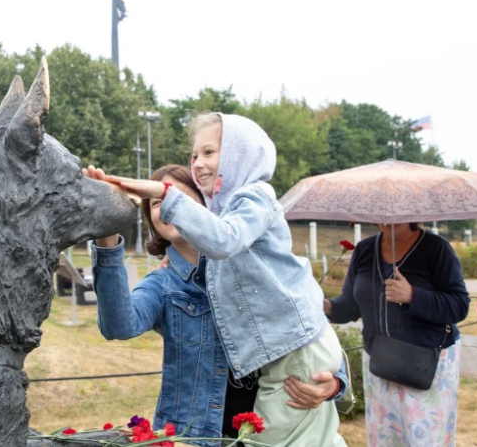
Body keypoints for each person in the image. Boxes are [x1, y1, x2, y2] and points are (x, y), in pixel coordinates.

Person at [90, 112, 346, 447]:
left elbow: (301, 315)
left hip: (272, 413)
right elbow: (118, 326)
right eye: (156, 204)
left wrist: (336, 383)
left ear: (205, 205)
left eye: (179, 196)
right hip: (203, 434)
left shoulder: (247, 246)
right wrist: (106, 238)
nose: (167, 207)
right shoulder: (165, 283)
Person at [325, 223, 470, 447]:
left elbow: (459, 305)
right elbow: (350, 305)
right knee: (386, 438)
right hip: (380, 362)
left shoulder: (436, 248)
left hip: (427, 364)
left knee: (424, 440)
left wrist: (413, 295)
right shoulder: (364, 250)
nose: (390, 220)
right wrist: (324, 306)